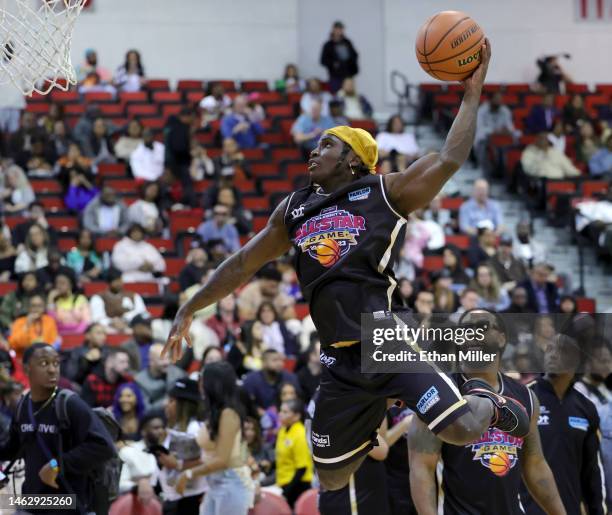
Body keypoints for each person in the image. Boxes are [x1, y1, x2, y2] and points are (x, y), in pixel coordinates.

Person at [162, 43, 531, 492]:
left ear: (353, 159)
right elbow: (242, 263)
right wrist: (191, 306)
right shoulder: (294, 208)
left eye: (326, 145)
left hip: (385, 337)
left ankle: (488, 401)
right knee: (333, 478)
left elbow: (448, 160)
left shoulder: (384, 191)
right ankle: (372, 414)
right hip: (338, 357)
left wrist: (471, 96)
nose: (313, 152)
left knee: (461, 429)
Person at [408, 309, 566, 515]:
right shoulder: (439, 392)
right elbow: (422, 468)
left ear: (501, 338)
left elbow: (535, 464)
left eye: (481, 327)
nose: (473, 333)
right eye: (465, 329)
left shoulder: (526, 397)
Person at [0, 343, 116, 514]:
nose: (53, 370)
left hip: (68, 503)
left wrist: (57, 465)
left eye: (56, 363)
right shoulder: (23, 406)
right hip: (32, 502)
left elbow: (104, 446)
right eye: (44, 363)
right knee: (5, 505)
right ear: (26, 369)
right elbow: (14, 448)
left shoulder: (70, 404)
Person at [521, 334, 607, 514]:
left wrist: (597, 510)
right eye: (549, 349)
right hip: (527, 509)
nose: (552, 355)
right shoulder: (523, 397)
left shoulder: (586, 408)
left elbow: (592, 471)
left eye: (561, 351)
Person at [175, 362, 255, 514]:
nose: (199, 383)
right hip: (214, 483)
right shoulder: (214, 413)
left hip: (231, 482)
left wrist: (189, 473)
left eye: (202, 378)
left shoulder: (228, 414)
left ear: (213, 383)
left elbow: (222, 460)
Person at [157, 378, 208, 515]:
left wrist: (177, 464)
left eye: (172, 401)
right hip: (173, 496)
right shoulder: (175, 427)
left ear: (184, 404)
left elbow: (206, 460)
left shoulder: (195, 429)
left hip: (190, 497)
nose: (166, 404)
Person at [575, 342, 612, 507]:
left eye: (609, 360)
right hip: (594, 464)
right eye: (601, 360)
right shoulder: (577, 391)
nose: (606, 365)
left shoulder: (608, 390)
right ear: (588, 363)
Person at [274, 398, 313, 507]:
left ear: (296, 416)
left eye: (285, 412)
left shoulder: (300, 434)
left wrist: (286, 494)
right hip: (282, 482)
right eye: (280, 411)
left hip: (298, 486)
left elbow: (302, 468)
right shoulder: (283, 430)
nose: (280, 414)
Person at [117, 412, 162, 503]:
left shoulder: (167, 452)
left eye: (162, 428)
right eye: (156, 428)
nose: (161, 431)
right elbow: (120, 484)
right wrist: (139, 485)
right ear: (144, 431)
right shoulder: (129, 451)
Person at [90, 267, 148, 333]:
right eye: (115, 281)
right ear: (109, 283)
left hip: (131, 326)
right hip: (110, 328)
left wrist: (125, 319)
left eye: (120, 280)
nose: (119, 283)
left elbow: (143, 313)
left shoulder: (133, 295)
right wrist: (111, 322)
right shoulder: (98, 297)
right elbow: (97, 318)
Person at [8, 294, 59, 361]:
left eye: (39, 306)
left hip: (45, 359)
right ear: (28, 308)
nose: (36, 309)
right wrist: (27, 325)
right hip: (24, 359)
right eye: (33, 306)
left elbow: (53, 343)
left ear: (43, 308)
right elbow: (13, 344)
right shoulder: (19, 322)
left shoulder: (49, 321)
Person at [135, 343, 186, 410]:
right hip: (154, 416)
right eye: (162, 359)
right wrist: (165, 403)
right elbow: (145, 409)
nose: (167, 362)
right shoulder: (140, 380)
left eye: (168, 358)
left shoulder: (178, 373)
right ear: (151, 361)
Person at [474, 91, 517, 170]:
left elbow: (510, 127)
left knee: (516, 137)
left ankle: (505, 169)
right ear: (490, 100)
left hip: (502, 137)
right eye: (497, 99)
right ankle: (485, 169)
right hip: (486, 138)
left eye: (500, 99)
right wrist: (494, 131)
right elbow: (479, 127)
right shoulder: (482, 110)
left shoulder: (505, 110)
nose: (499, 101)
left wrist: (507, 130)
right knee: (481, 140)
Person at [164, 108, 195, 207]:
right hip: (178, 164)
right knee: (184, 187)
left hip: (174, 163)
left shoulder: (173, 127)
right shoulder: (180, 128)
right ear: (185, 117)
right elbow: (179, 147)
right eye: (191, 117)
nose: (192, 120)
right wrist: (189, 156)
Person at [320, 21, 359, 93]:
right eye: (337, 29)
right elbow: (323, 60)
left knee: (349, 95)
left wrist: (351, 66)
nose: (338, 31)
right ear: (333, 30)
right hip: (335, 76)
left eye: (340, 29)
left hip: (348, 75)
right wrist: (334, 64)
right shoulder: (328, 45)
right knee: (336, 95)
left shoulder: (347, 43)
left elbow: (355, 55)